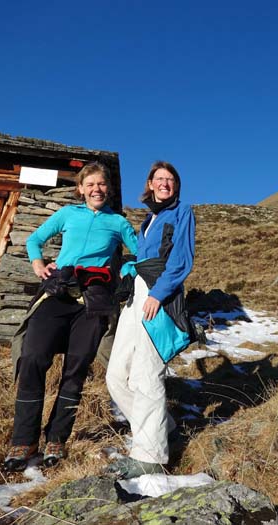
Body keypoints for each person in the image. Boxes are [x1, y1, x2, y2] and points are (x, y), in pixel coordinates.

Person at [4, 161, 139, 472]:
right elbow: (34, 240)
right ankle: (23, 440)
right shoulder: (67, 215)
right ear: (80, 189)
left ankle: (57, 439)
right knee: (34, 358)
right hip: (58, 292)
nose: (96, 189)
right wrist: (38, 265)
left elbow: (139, 254)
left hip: (93, 301)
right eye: (90, 184)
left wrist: (126, 272)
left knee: (76, 369)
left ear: (110, 189)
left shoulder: (118, 223)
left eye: (101, 184)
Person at [105, 160, 196, 478]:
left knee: (147, 375)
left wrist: (159, 294)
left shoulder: (182, 212)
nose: (165, 183)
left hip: (159, 295)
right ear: (149, 183)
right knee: (116, 376)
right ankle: (166, 429)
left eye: (171, 179)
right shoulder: (148, 220)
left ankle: (151, 457)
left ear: (176, 186)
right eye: (160, 178)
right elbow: (144, 258)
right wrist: (130, 271)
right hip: (135, 296)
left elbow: (182, 260)